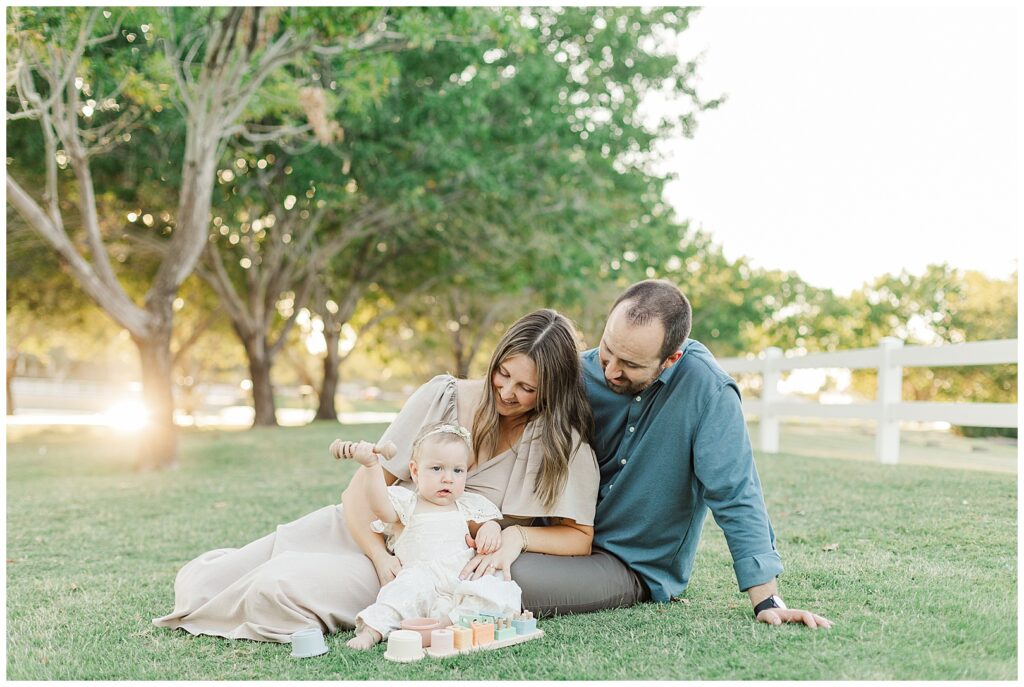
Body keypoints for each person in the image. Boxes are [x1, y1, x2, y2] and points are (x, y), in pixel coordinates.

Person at [153, 309, 598, 642]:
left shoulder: (560, 446)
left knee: (278, 587)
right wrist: (378, 555)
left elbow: (578, 537)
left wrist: (517, 537)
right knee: (208, 579)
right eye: (503, 374)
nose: (506, 392)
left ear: (552, 390)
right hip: (364, 533)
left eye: (527, 388)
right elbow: (360, 494)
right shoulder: (442, 396)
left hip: (417, 569)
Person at [510, 280, 833, 629]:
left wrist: (767, 599)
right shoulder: (576, 373)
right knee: (465, 555)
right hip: (553, 538)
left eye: (630, 364)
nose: (610, 370)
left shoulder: (708, 390)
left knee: (505, 580)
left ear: (671, 358)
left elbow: (735, 492)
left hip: (628, 563)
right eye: (608, 349)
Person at [334, 422, 521, 650]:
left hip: (460, 578)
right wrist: (373, 467)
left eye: (457, 470)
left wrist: (490, 528)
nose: (448, 478)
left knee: (497, 589)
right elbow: (380, 506)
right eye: (437, 469)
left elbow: (485, 524)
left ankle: (448, 623)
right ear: (414, 471)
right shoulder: (407, 503)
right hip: (421, 578)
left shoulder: (466, 506)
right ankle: (371, 633)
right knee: (398, 595)